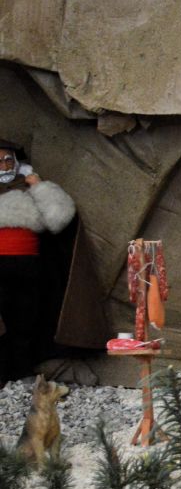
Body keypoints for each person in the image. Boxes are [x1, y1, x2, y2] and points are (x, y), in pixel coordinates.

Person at [0, 146, 76, 383]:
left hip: (29, 267)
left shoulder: (29, 189)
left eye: (8, 160)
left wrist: (40, 187)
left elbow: (58, 218)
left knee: (25, 320)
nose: (4, 166)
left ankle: (21, 371)